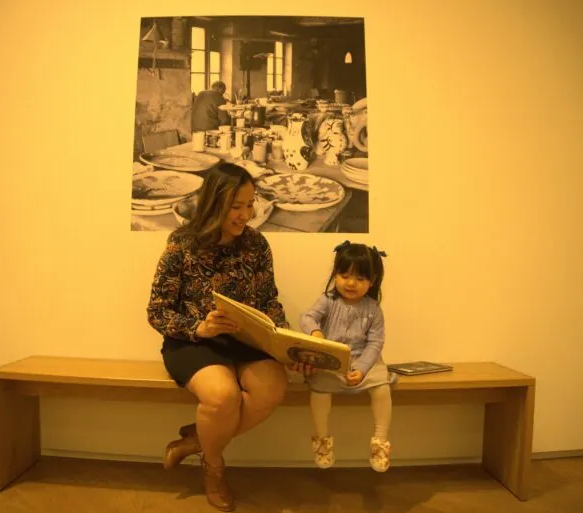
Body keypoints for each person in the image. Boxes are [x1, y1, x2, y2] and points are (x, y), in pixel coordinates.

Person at [147, 162, 295, 512]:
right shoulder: (182, 243)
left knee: (273, 389)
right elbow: (157, 310)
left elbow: (269, 300)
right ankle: (214, 467)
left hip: (246, 341)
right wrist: (199, 326)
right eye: (237, 205)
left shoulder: (257, 244)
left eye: (250, 204)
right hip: (193, 341)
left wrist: (284, 341)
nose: (247, 214)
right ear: (214, 203)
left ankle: (196, 441)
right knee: (222, 396)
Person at [298, 240, 396, 472]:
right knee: (319, 388)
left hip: (365, 361)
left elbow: (375, 343)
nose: (351, 283)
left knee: (382, 386)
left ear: (371, 282)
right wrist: (316, 332)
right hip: (332, 361)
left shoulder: (373, 309)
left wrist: (362, 368)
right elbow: (307, 318)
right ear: (335, 275)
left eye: (360, 279)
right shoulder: (327, 301)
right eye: (344, 275)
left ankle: (380, 441)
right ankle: (322, 440)